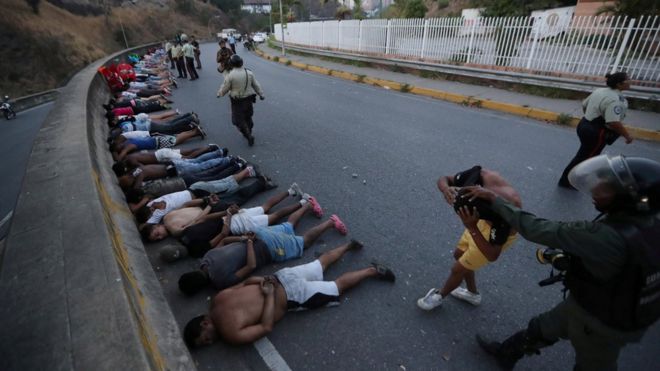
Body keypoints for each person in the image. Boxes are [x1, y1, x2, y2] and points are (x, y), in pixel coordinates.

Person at [464, 155, 660, 370]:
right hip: (605, 302)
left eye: (607, 188)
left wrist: (495, 200)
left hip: (602, 322)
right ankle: (506, 353)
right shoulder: (650, 223)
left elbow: (535, 228)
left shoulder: (605, 236)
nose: (596, 190)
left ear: (627, 199)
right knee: (545, 326)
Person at [183, 243, 396, 347]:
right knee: (320, 263)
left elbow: (266, 327)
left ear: (204, 324)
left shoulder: (231, 334)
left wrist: (268, 295)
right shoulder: (219, 298)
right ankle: (349, 245)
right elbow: (248, 282)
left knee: (336, 287)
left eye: (205, 339)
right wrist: (267, 281)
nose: (210, 342)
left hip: (293, 296)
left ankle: (372, 271)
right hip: (281, 277)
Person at [178, 199, 353, 294]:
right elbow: (224, 241)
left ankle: (331, 223)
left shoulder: (220, 282)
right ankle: (307, 203)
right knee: (288, 227)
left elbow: (251, 266)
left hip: (267, 249)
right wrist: (243, 238)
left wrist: (247, 243)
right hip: (257, 236)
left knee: (303, 242)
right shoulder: (206, 258)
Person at [417, 166, 521, 310]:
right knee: (459, 254)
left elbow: (492, 254)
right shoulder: (479, 176)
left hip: (493, 236)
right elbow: (444, 178)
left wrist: (472, 227)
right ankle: (473, 294)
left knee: (457, 269)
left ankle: (439, 296)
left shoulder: (507, 214)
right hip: (478, 222)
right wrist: (446, 189)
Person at [558, 72, 634, 189]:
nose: (631, 81)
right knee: (586, 157)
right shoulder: (617, 100)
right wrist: (627, 136)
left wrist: (590, 119)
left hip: (584, 124)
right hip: (596, 132)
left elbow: (584, 105)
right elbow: (613, 122)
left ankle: (574, 180)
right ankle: (567, 181)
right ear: (619, 84)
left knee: (585, 155)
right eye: (628, 79)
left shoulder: (600, 91)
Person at [217, 55, 264, 146]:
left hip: (237, 102)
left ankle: (248, 135)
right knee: (248, 116)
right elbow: (256, 85)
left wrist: (219, 94)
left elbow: (225, 88)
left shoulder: (230, 76)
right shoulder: (249, 72)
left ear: (231, 64)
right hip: (249, 100)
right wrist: (261, 94)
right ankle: (249, 130)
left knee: (238, 120)